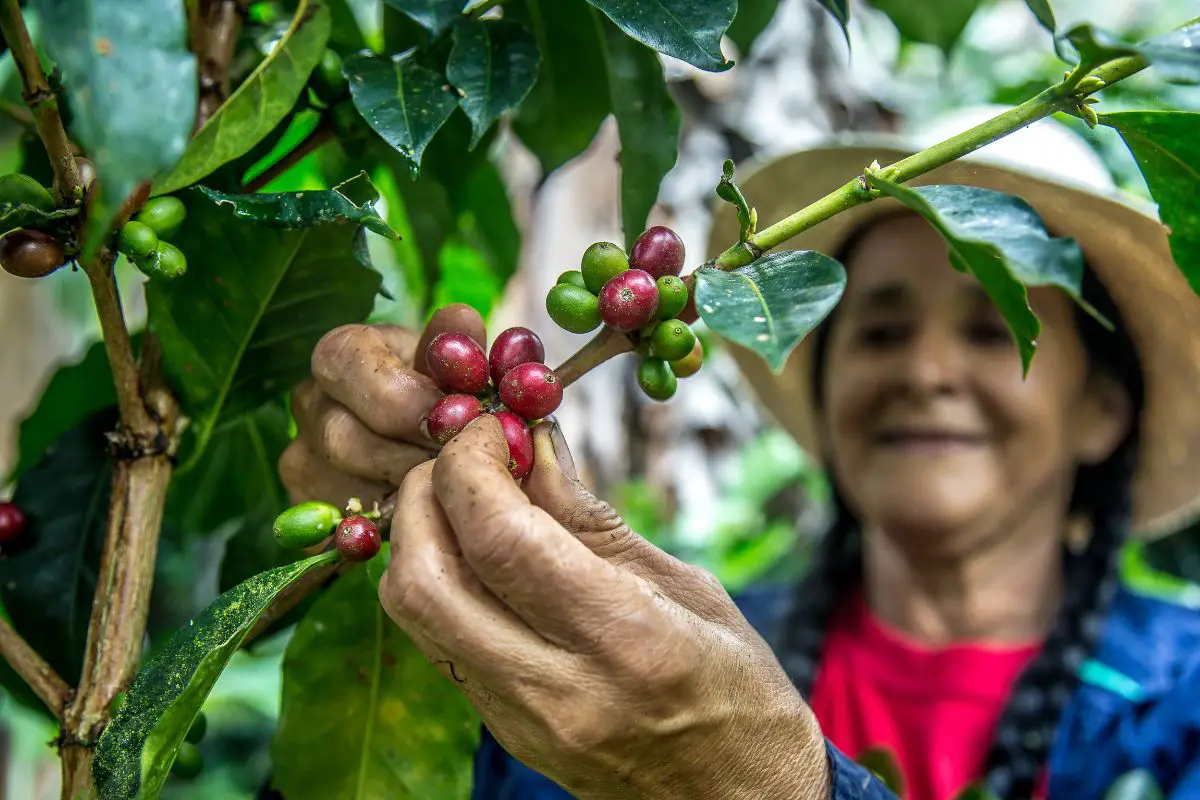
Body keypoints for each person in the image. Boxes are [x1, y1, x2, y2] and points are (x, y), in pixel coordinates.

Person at [279, 109, 1200, 800]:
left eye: (994, 330)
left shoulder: (1182, 700)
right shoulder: (647, 650)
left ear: (1105, 409)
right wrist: (399, 586)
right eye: (880, 332)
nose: (925, 371)